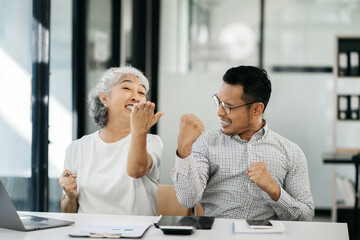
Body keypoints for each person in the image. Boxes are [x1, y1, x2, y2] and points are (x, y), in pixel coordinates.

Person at [171, 65, 314, 221]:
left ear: (256, 110)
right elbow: (187, 200)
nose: (219, 112)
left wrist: (274, 190)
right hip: (218, 235)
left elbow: (305, 217)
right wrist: (184, 149)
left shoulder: (291, 152)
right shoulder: (207, 143)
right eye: (218, 102)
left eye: (228, 106)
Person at [59, 66, 164, 215]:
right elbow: (69, 213)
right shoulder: (76, 148)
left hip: (135, 234)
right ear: (105, 99)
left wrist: (139, 128)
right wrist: (70, 196)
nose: (136, 97)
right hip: (88, 234)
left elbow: (136, 170)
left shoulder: (152, 142)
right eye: (127, 88)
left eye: (141, 92)